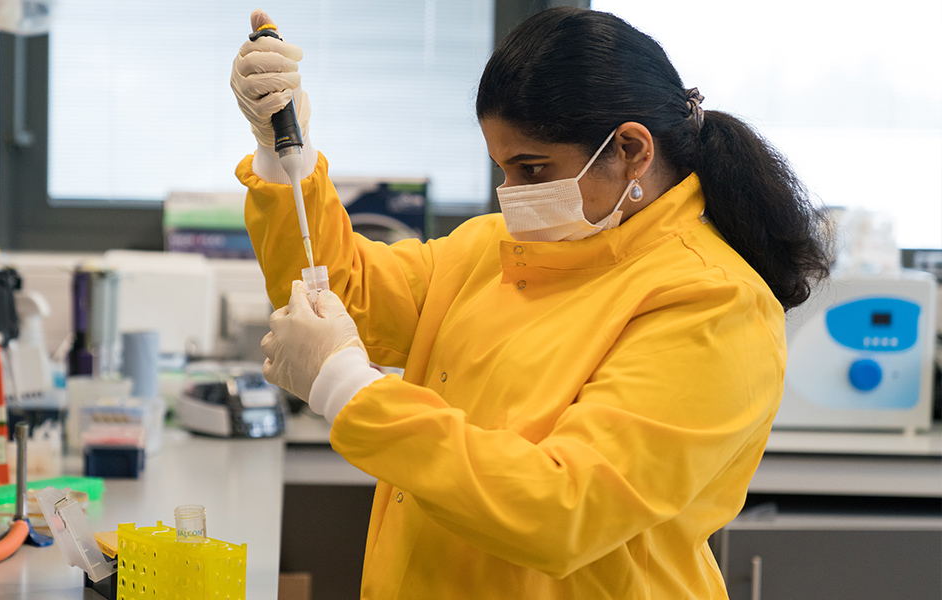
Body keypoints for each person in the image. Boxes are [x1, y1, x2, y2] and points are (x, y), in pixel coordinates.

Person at [231, 7, 831, 598]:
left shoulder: (712, 302)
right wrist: (286, 157)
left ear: (631, 150)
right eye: (503, 169)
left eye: (532, 168)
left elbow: (563, 509)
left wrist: (344, 387)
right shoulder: (500, 249)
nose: (511, 197)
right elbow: (338, 296)